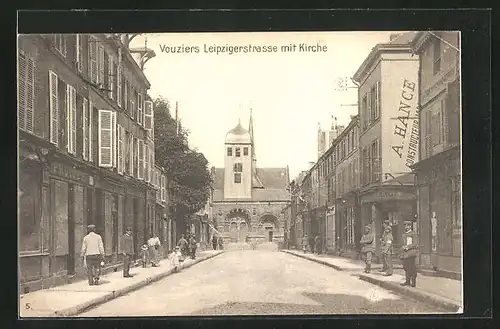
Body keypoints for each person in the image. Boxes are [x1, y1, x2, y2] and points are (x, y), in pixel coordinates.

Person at [400, 220, 418, 287]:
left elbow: (415, 243)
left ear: (410, 226)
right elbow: (402, 244)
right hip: (405, 253)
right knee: (406, 267)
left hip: (411, 253)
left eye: (408, 226)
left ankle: (413, 282)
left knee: (412, 268)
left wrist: (407, 247)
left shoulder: (413, 234)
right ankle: (407, 281)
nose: (406, 227)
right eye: (405, 226)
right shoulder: (404, 235)